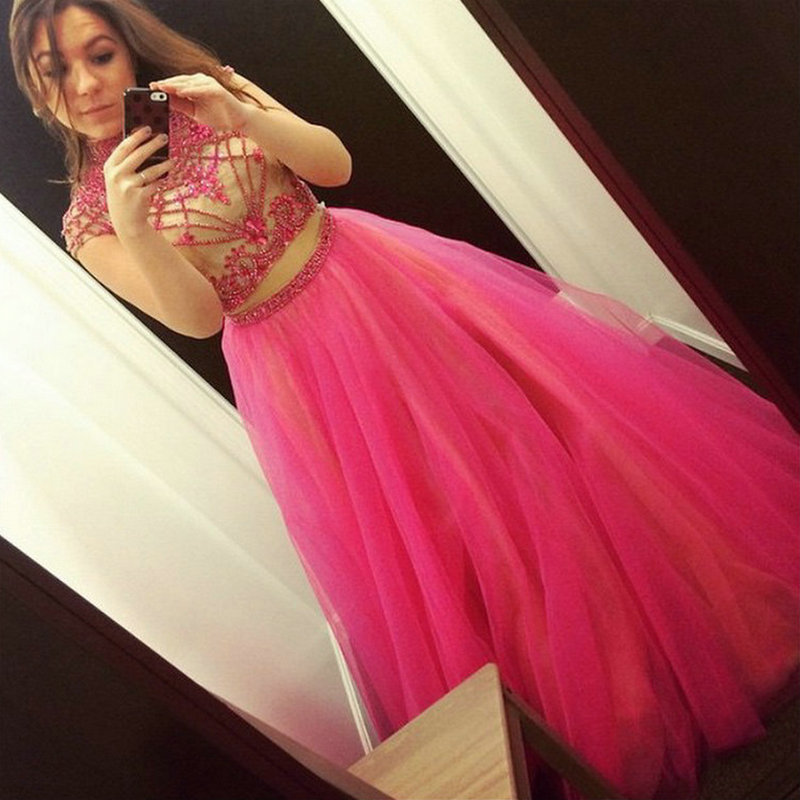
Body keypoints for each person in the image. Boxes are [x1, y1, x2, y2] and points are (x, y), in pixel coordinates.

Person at [10, 1, 799, 797]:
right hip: (299, 370)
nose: (87, 84)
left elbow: (333, 165)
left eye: (99, 55)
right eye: (57, 70)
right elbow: (199, 317)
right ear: (36, 92)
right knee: (451, 523)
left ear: (129, 52)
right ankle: (614, 707)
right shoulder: (90, 223)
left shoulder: (206, 93)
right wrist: (137, 228)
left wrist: (237, 112)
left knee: (535, 445)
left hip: (378, 281)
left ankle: (698, 624)